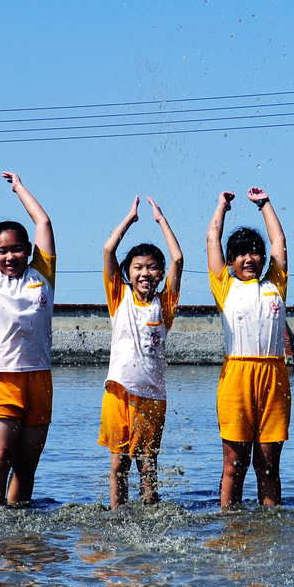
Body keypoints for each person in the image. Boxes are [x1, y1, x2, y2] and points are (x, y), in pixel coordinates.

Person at [0, 154, 55, 509]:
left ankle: (19, 531)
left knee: (27, 466)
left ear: (28, 251)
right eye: (2, 250)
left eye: (17, 249)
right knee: (0, 457)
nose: (10, 256)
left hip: (38, 378)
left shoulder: (42, 274)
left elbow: (44, 221)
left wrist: (19, 188)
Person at [99, 196, 184, 509]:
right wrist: (130, 220)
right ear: (128, 273)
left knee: (148, 466)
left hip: (152, 397)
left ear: (160, 274)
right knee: (118, 465)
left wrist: (161, 220)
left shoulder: (164, 305)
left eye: (152, 267)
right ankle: (117, 514)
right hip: (118, 393)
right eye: (138, 267)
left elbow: (178, 259)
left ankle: (150, 512)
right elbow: (108, 251)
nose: (145, 272)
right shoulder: (118, 296)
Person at [206, 187, 289, 509]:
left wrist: (265, 204)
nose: (249, 258)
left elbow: (279, 241)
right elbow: (213, 238)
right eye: (241, 253)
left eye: (255, 252)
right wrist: (222, 207)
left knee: (268, 464)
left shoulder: (275, 283)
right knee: (234, 464)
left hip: (274, 378)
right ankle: (230, 524)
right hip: (236, 378)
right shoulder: (225, 286)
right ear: (230, 262)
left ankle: (270, 527)